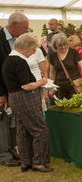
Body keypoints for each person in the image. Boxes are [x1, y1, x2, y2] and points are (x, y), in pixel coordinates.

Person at [1, 33, 51, 172]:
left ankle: (26, 161)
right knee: (40, 129)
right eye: (33, 49)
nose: (34, 52)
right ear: (25, 46)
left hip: (15, 99)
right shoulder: (19, 61)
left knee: (22, 131)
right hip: (25, 98)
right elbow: (26, 85)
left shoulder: (8, 60)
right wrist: (41, 82)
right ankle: (39, 162)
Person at [0, 12, 30, 167]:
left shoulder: (18, 41)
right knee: (3, 123)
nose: (27, 31)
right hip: (3, 91)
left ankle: (11, 150)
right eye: (25, 27)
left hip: (14, 90)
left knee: (12, 122)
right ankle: (3, 155)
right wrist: (1, 94)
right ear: (14, 25)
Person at [48, 34, 82, 100]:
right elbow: (52, 73)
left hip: (75, 85)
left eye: (65, 44)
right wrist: (52, 87)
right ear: (55, 45)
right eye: (60, 45)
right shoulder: (53, 55)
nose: (63, 47)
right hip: (61, 87)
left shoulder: (74, 52)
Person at [24, 33, 49, 112]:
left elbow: (44, 71)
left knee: (39, 111)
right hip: (25, 86)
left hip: (38, 86)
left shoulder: (38, 51)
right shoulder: (17, 52)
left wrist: (45, 91)